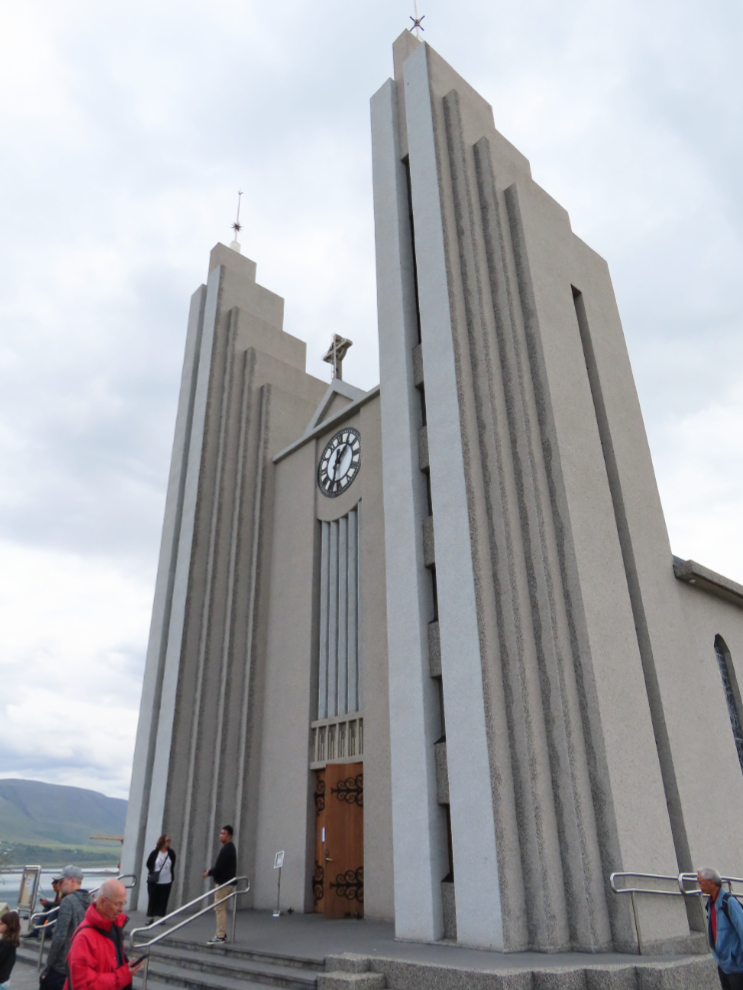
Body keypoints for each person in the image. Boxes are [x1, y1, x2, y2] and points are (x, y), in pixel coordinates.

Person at [65, 879, 144, 990]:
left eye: (123, 903)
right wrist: (123, 975)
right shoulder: (84, 938)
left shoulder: (114, 928)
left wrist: (126, 970)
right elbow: (84, 986)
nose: (121, 909)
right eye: (118, 904)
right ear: (102, 902)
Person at [41, 867, 90, 990]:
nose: (60, 885)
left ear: (72, 880)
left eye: (62, 881)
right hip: (79, 965)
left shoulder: (68, 901)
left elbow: (59, 936)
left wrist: (48, 967)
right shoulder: (89, 900)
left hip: (61, 966)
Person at [698, 867, 743, 988]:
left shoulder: (729, 902)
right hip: (723, 966)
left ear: (711, 883)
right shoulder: (711, 904)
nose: (699, 885)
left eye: (700, 881)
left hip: (737, 968)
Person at [202, 825, 237, 945]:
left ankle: (220, 935)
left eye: (224, 834)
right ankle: (222, 934)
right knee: (220, 908)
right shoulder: (229, 848)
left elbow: (220, 867)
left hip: (224, 883)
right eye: (220, 833)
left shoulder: (227, 849)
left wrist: (209, 872)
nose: (221, 835)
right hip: (227, 883)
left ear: (229, 836)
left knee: (219, 909)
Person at [145, 834, 176, 925]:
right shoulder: (155, 853)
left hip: (167, 880)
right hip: (154, 881)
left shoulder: (171, 853)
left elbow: (172, 864)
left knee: (163, 899)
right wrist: (154, 872)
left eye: (169, 841)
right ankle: (150, 917)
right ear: (162, 842)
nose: (169, 842)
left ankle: (161, 917)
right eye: (167, 841)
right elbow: (148, 863)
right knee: (153, 898)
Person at [0, 911, 20, 990]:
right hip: (4, 979)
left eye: (1, 924)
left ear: (8, 926)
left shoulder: (6, 943)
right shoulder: (11, 941)